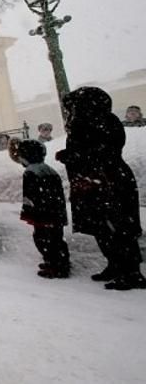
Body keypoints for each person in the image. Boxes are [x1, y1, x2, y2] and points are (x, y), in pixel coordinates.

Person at [56, 87, 145, 290]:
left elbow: (103, 151)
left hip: (107, 181)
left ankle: (132, 273)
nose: (70, 111)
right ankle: (115, 265)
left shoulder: (102, 121)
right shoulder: (89, 121)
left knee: (119, 228)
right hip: (95, 181)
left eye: (73, 106)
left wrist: (73, 157)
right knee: (102, 228)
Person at [15, 140, 70, 278]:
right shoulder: (49, 169)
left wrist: (29, 212)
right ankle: (60, 262)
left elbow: (30, 196)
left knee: (43, 239)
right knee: (57, 239)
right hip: (55, 213)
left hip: (43, 215)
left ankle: (55, 265)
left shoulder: (30, 172)